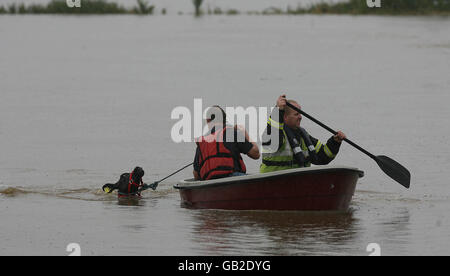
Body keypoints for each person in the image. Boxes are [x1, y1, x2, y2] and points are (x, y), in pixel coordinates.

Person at [260, 95, 346, 173]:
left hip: (296, 182)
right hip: (273, 182)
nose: (300, 117)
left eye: (300, 114)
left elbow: (323, 157)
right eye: (296, 114)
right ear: (285, 117)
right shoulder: (272, 134)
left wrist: (335, 142)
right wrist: (278, 112)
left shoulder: (303, 136)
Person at [193, 105, 260, 180]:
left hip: (209, 184)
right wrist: (245, 133)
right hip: (234, 180)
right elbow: (256, 154)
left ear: (208, 120)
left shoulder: (202, 142)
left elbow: (196, 175)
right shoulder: (233, 133)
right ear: (224, 120)